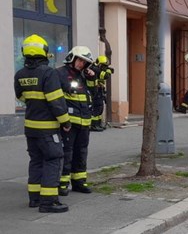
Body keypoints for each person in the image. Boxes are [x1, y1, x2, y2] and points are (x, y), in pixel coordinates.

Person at [14, 35, 71, 213]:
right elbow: (56, 101)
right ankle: (48, 202)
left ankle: (35, 198)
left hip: (30, 127)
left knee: (36, 161)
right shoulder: (48, 73)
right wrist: (65, 121)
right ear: (44, 51)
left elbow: (21, 97)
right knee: (53, 160)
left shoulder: (20, 74)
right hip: (48, 128)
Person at [57, 45, 96, 195]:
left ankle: (79, 182)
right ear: (72, 58)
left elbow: (92, 93)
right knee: (67, 153)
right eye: (80, 60)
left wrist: (92, 77)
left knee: (81, 153)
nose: (82, 64)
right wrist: (63, 120)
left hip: (84, 123)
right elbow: (57, 99)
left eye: (85, 62)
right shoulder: (60, 73)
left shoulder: (84, 75)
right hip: (69, 123)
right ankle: (62, 183)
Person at [87, 55, 113, 131]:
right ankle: (93, 125)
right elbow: (105, 76)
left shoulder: (96, 68)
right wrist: (108, 70)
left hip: (98, 90)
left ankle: (98, 123)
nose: (105, 67)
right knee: (96, 108)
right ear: (100, 64)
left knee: (99, 108)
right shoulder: (94, 69)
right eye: (104, 66)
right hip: (94, 91)